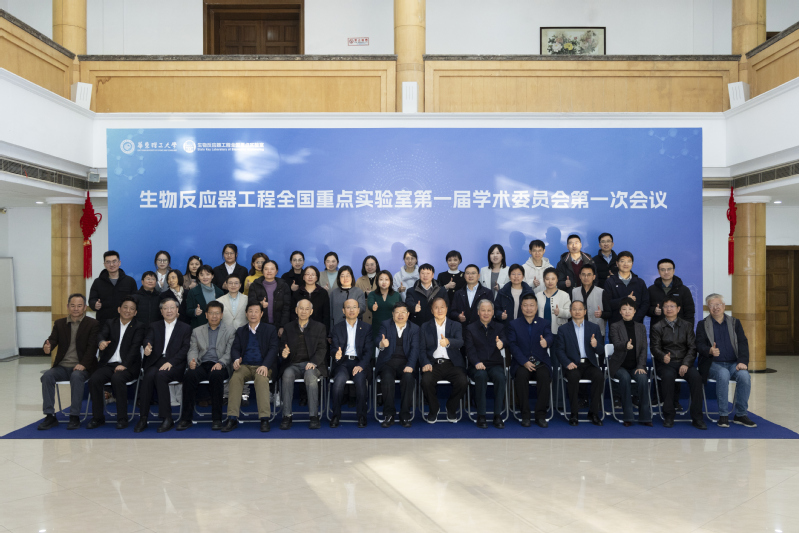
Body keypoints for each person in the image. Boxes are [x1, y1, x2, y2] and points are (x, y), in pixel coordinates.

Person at [37, 294, 99, 431]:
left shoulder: (92, 324)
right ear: (68, 307)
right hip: (62, 366)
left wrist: (83, 364)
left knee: (76, 377)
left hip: (83, 367)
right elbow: (52, 340)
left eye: (79, 306)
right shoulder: (59, 323)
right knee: (47, 376)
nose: (76, 308)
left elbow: (92, 348)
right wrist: (47, 347)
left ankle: (74, 416)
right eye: (73, 305)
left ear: (85, 307)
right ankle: (50, 416)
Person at [696, 294, 756, 428]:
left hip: (734, 363)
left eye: (718, 304)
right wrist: (709, 350)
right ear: (708, 308)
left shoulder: (735, 322)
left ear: (723, 306)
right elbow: (698, 344)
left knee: (744, 375)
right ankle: (723, 415)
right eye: (712, 305)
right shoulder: (703, 324)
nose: (715, 308)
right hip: (712, 364)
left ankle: (740, 414)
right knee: (723, 373)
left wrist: (742, 361)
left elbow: (743, 343)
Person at [175, 301, 235, 431]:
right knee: (189, 376)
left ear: (222, 315)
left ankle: (217, 419)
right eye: (211, 313)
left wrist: (221, 363)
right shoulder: (197, 331)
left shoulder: (230, 330)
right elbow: (193, 349)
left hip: (220, 365)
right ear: (206, 315)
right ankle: (186, 419)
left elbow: (230, 352)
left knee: (216, 376)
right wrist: (192, 361)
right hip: (202, 364)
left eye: (217, 313)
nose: (214, 316)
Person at [87, 296, 145, 430]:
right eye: (125, 307)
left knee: (117, 378)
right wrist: (101, 342)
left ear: (135, 312)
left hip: (129, 366)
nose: (128, 311)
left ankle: (122, 418)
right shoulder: (110, 323)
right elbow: (101, 335)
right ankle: (98, 418)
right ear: (119, 309)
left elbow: (135, 348)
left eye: (132, 309)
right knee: (94, 379)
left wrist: (125, 365)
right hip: (109, 364)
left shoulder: (139, 326)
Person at [135, 298, 192, 433]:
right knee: (148, 376)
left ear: (177, 310)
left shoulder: (186, 328)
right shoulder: (154, 326)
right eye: (165, 308)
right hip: (156, 362)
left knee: (161, 376)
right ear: (161, 311)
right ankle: (143, 417)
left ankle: (167, 418)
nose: (169, 311)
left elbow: (185, 349)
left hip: (175, 364)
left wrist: (171, 362)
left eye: (172, 307)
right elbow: (147, 339)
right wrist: (147, 346)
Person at [221, 302, 279, 433]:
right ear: (246, 314)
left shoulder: (270, 329)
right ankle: (232, 418)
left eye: (256, 311)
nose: (253, 314)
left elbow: (273, 349)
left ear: (261, 314)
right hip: (245, 365)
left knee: (261, 379)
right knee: (235, 379)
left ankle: (264, 418)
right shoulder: (241, 331)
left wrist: (265, 365)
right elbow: (235, 348)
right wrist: (236, 359)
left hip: (263, 365)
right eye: (250, 311)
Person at [650, 296, 706, 430]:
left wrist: (686, 363)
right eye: (666, 306)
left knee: (696, 378)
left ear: (678, 309)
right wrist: (663, 356)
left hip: (684, 362)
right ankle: (669, 416)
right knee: (668, 377)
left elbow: (692, 347)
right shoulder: (657, 327)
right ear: (662, 309)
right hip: (666, 364)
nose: (669, 309)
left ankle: (697, 418)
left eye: (672, 306)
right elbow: (654, 347)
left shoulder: (687, 325)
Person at [279, 299, 328, 430]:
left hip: (313, 364)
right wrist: (284, 353)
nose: (304, 311)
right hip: (293, 364)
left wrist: (314, 362)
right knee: (287, 374)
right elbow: (282, 347)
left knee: (310, 376)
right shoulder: (288, 327)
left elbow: (322, 348)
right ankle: (287, 416)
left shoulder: (319, 327)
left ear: (311, 312)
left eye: (307, 309)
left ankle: (314, 416)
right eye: (301, 308)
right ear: (296, 310)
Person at [507, 294, 554, 428]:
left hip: (540, 362)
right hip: (521, 363)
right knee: (521, 376)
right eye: (525, 305)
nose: (529, 308)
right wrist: (524, 362)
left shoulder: (544, 323)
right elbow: (512, 345)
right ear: (521, 307)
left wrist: (546, 341)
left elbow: (549, 336)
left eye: (531, 305)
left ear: (536, 307)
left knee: (544, 376)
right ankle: (525, 415)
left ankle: (540, 415)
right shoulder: (514, 324)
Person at [555, 300, 605, 426]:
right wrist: (567, 363)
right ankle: (574, 413)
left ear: (585, 311)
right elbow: (559, 350)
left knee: (599, 376)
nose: (577, 311)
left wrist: (596, 345)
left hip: (589, 364)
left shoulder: (594, 327)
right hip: (572, 364)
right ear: (570, 311)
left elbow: (601, 350)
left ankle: (593, 413)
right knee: (573, 376)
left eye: (580, 309)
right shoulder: (563, 329)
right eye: (574, 309)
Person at [419, 297, 467, 423]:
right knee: (426, 381)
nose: (439, 310)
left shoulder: (455, 325)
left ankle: (451, 408)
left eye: (442, 307)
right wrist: (425, 363)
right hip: (433, 363)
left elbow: (460, 342)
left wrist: (448, 342)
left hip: (452, 364)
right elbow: (421, 349)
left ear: (446, 309)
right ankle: (434, 408)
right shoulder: (425, 326)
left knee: (462, 382)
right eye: (436, 307)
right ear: (431, 310)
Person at [329, 298, 374, 428]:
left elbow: (369, 351)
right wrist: (336, 355)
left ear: (359, 310)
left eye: (354, 307)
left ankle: (361, 416)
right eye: (348, 307)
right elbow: (334, 348)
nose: (351, 310)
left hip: (359, 362)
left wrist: (361, 365)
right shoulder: (337, 328)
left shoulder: (366, 328)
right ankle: (336, 415)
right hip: (342, 363)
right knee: (338, 382)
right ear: (343, 310)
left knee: (360, 382)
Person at [608, 298, 653, 427]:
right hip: (619, 365)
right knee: (625, 378)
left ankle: (645, 416)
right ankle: (628, 416)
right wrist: (625, 345)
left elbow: (644, 348)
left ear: (634, 311)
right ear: (620, 312)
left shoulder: (641, 327)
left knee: (643, 378)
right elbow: (616, 344)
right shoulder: (615, 326)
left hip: (636, 366)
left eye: (630, 309)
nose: (627, 311)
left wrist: (641, 366)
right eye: (624, 309)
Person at [464, 299, 508, 429]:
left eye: (489, 310)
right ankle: (481, 415)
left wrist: (502, 343)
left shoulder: (499, 327)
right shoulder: (470, 328)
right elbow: (469, 350)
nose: (486, 313)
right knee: (481, 376)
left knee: (500, 377)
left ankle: (497, 415)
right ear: (478, 312)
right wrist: (477, 362)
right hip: (476, 365)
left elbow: (506, 339)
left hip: (495, 364)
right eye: (483, 310)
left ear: (493, 312)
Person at [376, 302, 420, 428]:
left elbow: (415, 349)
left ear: (408, 314)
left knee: (408, 378)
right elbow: (378, 339)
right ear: (393, 314)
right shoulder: (385, 324)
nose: (400, 315)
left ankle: (405, 414)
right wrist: (381, 344)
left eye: (403, 312)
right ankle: (389, 414)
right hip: (387, 363)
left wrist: (410, 365)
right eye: (397, 312)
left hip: (406, 364)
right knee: (387, 378)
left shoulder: (414, 328)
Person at [88, 250, 138, 324]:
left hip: (125, 322)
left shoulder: (130, 281)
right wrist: (95, 304)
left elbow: (135, 300)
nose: (111, 265)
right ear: (104, 264)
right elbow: (92, 299)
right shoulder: (97, 282)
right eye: (108, 262)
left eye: (114, 261)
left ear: (119, 263)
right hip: (104, 322)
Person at [647, 258, 696, 328]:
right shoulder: (651, 289)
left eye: (669, 269)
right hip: (657, 330)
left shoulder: (684, 290)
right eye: (663, 270)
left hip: (679, 330)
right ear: (658, 271)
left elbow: (689, 312)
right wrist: (653, 311)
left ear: (673, 270)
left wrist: (688, 330)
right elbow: (645, 308)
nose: (666, 272)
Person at [247, 260, 291, 336]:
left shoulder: (283, 286)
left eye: (272, 269)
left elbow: (287, 308)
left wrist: (283, 326)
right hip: (260, 325)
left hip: (278, 326)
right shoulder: (255, 285)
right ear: (262, 271)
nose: (269, 271)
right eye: (266, 269)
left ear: (276, 271)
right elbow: (250, 303)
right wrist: (260, 304)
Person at [605, 251, 649, 324]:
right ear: (617, 263)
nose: (625, 264)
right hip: (616, 324)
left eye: (629, 261)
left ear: (632, 264)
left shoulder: (640, 282)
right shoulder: (610, 282)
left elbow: (645, 304)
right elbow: (607, 304)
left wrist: (634, 320)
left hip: (636, 324)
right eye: (622, 261)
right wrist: (625, 299)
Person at [571, 264, 611, 334]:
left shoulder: (601, 292)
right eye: (583, 275)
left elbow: (609, 313)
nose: (586, 277)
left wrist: (602, 314)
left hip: (597, 331)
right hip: (578, 330)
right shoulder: (574, 291)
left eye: (589, 275)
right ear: (580, 276)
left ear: (594, 277)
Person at [291, 266, 331, 335]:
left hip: (318, 331)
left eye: (313, 275)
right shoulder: (297, 293)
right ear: (303, 277)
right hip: (300, 330)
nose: (310, 277)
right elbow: (293, 313)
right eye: (307, 274)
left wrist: (325, 332)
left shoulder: (323, 293)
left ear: (317, 278)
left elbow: (326, 315)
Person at [185, 264, 224, 329]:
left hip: (217, 327)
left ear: (212, 276)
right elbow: (188, 311)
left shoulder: (220, 292)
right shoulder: (192, 292)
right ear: (198, 277)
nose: (205, 277)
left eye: (208, 274)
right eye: (201, 275)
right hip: (199, 326)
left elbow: (222, 311)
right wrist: (195, 311)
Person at [367, 270, 401, 338]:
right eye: (381, 279)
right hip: (377, 328)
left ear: (390, 281)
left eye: (386, 279)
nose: (384, 282)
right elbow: (370, 304)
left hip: (393, 327)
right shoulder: (372, 294)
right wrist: (373, 307)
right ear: (377, 281)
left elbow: (401, 309)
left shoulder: (396, 295)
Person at [355, 255, 381, 325]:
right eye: (367, 265)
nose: (369, 267)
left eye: (372, 264)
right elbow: (355, 297)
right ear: (364, 266)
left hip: (379, 312)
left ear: (376, 265)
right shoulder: (359, 280)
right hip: (364, 314)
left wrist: (373, 294)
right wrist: (365, 294)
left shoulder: (382, 279)